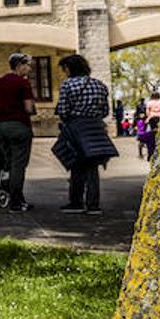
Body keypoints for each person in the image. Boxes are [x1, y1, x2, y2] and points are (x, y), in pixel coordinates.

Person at [54, 54, 116, 216]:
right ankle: (93, 204)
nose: (65, 72)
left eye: (65, 69)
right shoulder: (99, 85)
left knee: (76, 164)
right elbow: (105, 111)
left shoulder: (68, 85)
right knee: (92, 166)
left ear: (69, 68)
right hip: (96, 127)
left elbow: (63, 111)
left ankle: (76, 202)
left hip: (76, 127)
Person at [0, 52, 37, 212]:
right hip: (19, 125)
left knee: (6, 162)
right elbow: (28, 108)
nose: (29, 69)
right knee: (18, 164)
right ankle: (16, 201)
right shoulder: (22, 83)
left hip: (0, 126)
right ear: (19, 66)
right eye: (27, 65)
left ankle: (6, 195)